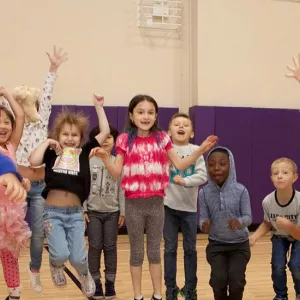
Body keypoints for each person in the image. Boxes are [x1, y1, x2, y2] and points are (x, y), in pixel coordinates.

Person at [90, 94, 217, 300]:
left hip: (157, 204)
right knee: (137, 253)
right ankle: (138, 295)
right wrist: (105, 157)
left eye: (150, 112)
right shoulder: (124, 139)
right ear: (131, 115)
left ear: (156, 115)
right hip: (133, 205)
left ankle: (158, 294)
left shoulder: (162, 138)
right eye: (140, 112)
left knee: (154, 253)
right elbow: (115, 172)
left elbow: (181, 165)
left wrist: (201, 149)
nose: (145, 116)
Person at [0, 46, 68, 292]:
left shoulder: (40, 122)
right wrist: (7, 95)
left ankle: (35, 270)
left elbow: (47, 95)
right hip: (14, 190)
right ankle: (13, 282)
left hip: (38, 188)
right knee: (11, 238)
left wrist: (53, 69)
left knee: (38, 235)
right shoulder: (10, 133)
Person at [29, 94, 110, 298]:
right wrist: (47, 142)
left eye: (75, 135)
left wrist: (99, 107)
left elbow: (105, 131)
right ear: (58, 135)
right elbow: (33, 161)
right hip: (52, 213)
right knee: (60, 254)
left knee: (78, 258)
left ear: (81, 137)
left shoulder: (84, 153)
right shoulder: (51, 153)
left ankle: (84, 274)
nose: (70, 138)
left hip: (75, 214)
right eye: (65, 134)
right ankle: (56, 264)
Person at [163, 113, 207, 300]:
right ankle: (170, 288)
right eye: (176, 124)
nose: (181, 127)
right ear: (169, 131)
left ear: (192, 132)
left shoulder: (196, 150)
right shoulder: (165, 150)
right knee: (169, 249)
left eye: (185, 125)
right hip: (168, 208)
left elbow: (203, 176)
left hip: (189, 210)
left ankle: (190, 288)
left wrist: (186, 181)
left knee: (190, 250)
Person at [199, 146, 252, 300]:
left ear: (231, 165)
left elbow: (248, 217)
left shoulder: (241, 191)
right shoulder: (204, 193)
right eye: (212, 164)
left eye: (222, 164)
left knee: (236, 282)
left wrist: (239, 222)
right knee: (218, 280)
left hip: (239, 246)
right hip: (216, 246)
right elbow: (203, 218)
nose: (217, 168)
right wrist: (204, 225)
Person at [84, 124, 125, 299]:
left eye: (110, 137)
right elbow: (83, 186)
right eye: (103, 137)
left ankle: (110, 283)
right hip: (92, 212)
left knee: (110, 247)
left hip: (112, 213)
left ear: (115, 140)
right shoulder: (87, 161)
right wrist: (83, 208)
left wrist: (122, 212)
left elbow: (122, 189)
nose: (106, 140)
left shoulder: (117, 162)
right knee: (94, 247)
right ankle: (95, 283)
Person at [249, 158, 300, 300]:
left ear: (294, 177)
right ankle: (281, 295)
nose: (279, 175)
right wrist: (254, 237)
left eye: (285, 172)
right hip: (279, 236)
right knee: (277, 266)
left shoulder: (299, 201)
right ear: (271, 178)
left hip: (298, 236)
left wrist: (287, 225)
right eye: (275, 173)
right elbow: (267, 223)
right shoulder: (268, 201)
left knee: (296, 265)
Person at [0, 87, 31, 300]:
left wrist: (6, 93)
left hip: (10, 216)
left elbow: (20, 115)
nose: (3, 126)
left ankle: (15, 295)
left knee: (10, 258)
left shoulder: (11, 145)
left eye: (6, 122)